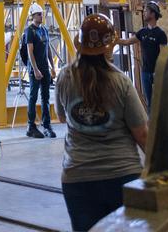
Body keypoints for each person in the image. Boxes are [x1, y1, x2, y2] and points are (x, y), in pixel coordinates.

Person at [55, 13, 148, 231]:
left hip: (77, 178)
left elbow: (61, 116)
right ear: (109, 46)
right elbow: (142, 134)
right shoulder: (121, 82)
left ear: (80, 45)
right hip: (122, 176)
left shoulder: (64, 78)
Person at [119, 2, 167, 109]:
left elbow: (164, 55)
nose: (144, 13)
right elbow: (127, 42)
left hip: (157, 73)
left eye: (146, 11)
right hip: (145, 73)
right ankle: (151, 124)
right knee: (150, 102)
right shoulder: (142, 32)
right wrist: (114, 40)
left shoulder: (160, 34)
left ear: (153, 14)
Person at [24, 1, 56, 139]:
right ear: (32, 16)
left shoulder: (43, 30)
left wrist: (52, 67)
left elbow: (48, 48)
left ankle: (47, 125)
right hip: (35, 70)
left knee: (45, 97)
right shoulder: (29, 31)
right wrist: (35, 70)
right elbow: (30, 51)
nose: (41, 16)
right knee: (33, 96)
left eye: (41, 14)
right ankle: (31, 126)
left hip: (45, 69)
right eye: (38, 14)